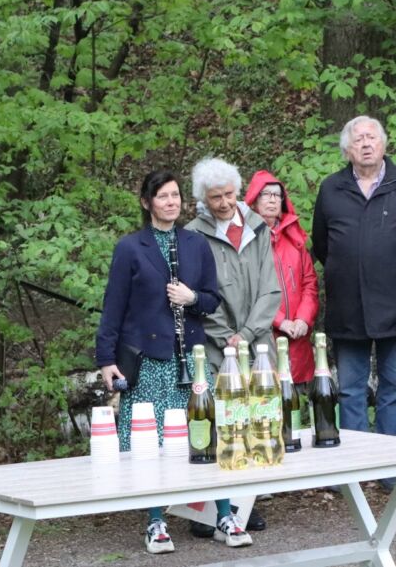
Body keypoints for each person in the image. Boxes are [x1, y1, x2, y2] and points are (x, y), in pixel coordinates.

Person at [95, 170, 250, 553]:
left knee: (208, 437)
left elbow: (213, 299)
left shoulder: (196, 243)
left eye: (176, 195)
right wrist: (105, 358)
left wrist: (191, 298)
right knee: (150, 444)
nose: (171, 202)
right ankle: (155, 522)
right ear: (147, 202)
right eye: (162, 196)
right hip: (149, 360)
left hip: (192, 360)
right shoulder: (131, 247)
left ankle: (224, 516)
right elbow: (113, 307)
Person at [311, 116, 396, 483]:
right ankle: (354, 468)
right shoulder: (331, 188)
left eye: (372, 137)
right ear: (347, 149)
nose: (366, 144)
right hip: (348, 306)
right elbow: (322, 245)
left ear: (383, 144)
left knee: (393, 388)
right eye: (358, 139)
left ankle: (389, 469)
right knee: (350, 390)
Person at [187, 158, 280, 533]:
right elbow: (199, 293)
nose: (224, 203)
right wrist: (225, 334)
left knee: (256, 424)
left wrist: (249, 333)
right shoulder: (193, 233)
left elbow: (270, 287)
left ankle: (244, 506)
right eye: (215, 197)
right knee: (222, 424)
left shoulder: (257, 227)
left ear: (238, 192)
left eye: (228, 195)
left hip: (257, 344)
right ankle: (209, 511)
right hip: (216, 344)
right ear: (202, 199)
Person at [243, 170, 319, 388]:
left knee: (298, 406)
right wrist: (279, 321)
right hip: (263, 337)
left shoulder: (294, 239)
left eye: (277, 195)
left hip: (298, 337)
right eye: (265, 194)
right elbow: (246, 292)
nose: (272, 200)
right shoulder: (246, 242)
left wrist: (303, 319)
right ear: (254, 200)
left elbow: (309, 284)